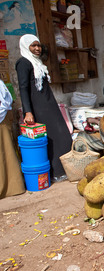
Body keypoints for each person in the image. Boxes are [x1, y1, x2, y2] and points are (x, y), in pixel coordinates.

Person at [15, 34, 72, 182]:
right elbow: (23, 88)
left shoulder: (37, 62)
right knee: (52, 137)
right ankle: (55, 173)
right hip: (38, 106)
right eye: (33, 46)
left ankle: (64, 169)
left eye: (38, 45)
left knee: (63, 134)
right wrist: (28, 111)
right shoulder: (24, 63)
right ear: (26, 47)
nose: (37, 48)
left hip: (48, 103)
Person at [0, 79, 26, 199]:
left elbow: (5, 101)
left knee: (6, 153)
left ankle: (13, 187)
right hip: (3, 117)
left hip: (2, 119)